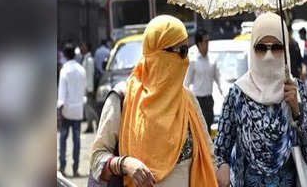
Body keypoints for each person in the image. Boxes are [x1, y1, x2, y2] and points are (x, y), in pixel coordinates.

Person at [89, 15, 216, 186]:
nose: (185, 61)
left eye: (187, 50)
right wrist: (124, 164)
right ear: (157, 54)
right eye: (182, 51)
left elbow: (210, 154)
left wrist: (222, 167)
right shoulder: (122, 99)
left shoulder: (188, 100)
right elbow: (97, 158)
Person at [214, 12, 307, 187]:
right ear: (252, 49)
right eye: (261, 48)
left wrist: (296, 110)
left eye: (277, 47)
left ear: (286, 49)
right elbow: (220, 151)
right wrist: (223, 167)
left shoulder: (296, 91)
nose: (269, 55)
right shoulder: (238, 94)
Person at [184, 29, 223, 134]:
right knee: (198, 131)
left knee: (208, 130)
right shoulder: (193, 61)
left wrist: (225, 95)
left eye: (208, 41)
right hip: (197, 101)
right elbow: (186, 83)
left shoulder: (212, 60)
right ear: (199, 44)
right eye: (205, 42)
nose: (207, 44)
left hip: (209, 101)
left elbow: (219, 80)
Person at [58, 43, 87, 177]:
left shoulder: (64, 71)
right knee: (77, 140)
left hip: (66, 111)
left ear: (64, 55)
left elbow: (62, 94)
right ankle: (75, 167)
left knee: (63, 139)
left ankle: (62, 166)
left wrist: (59, 109)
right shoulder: (81, 70)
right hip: (78, 110)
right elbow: (83, 89)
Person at [80, 42, 97, 133]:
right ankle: (90, 126)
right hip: (86, 88)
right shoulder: (85, 59)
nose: (82, 48)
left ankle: (97, 121)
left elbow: (90, 75)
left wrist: (89, 89)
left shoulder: (89, 60)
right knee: (87, 107)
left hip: (88, 88)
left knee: (90, 107)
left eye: (84, 46)